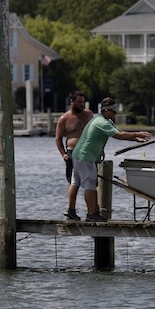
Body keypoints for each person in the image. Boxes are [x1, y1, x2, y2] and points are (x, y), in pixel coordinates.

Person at [71, 97, 152, 222]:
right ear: (106, 110)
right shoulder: (102, 122)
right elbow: (118, 135)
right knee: (90, 185)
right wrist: (138, 133)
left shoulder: (101, 119)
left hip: (79, 155)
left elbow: (119, 132)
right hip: (85, 156)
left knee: (76, 182)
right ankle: (91, 214)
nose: (116, 114)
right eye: (114, 111)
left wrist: (135, 139)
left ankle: (76, 211)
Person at [55, 91, 94, 220]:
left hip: (88, 153)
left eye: (83, 102)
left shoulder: (89, 115)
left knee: (91, 181)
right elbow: (58, 139)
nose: (82, 105)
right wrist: (63, 154)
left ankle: (94, 209)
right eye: (79, 102)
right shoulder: (64, 119)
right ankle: (71, 209)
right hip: (72, 153)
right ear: (72, 102)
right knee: (73, 183)